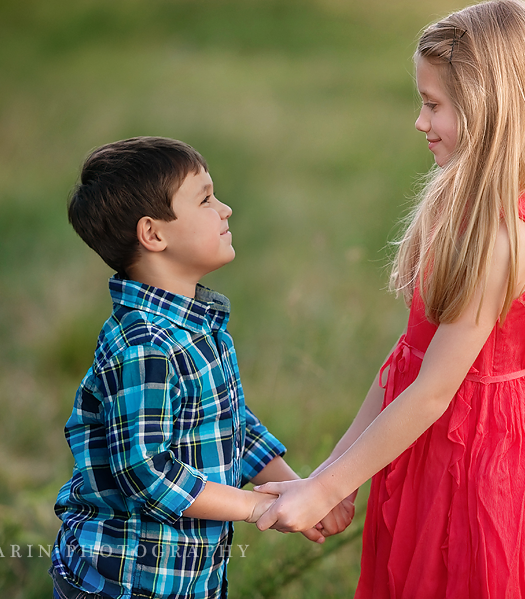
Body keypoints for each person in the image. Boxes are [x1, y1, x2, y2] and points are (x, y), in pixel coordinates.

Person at [254, 1, 525, 597]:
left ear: (488, 108)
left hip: (480, 472)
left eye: (433, 104)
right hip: (429, 453)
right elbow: (408, 361)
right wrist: (331, 479)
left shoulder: (504, 232)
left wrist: (324, 487)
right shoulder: (457, 203)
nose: (421, 122)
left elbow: (435, 389)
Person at [49, 137, 351, 599]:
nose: (225, 209)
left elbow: (228, 425)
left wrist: (299, 491)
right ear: (153, 234)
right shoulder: (144, 344)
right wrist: (256, 507)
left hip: (187, 578)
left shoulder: (195, 326)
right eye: (206, 198)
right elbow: (146, 471)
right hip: (125, 580)